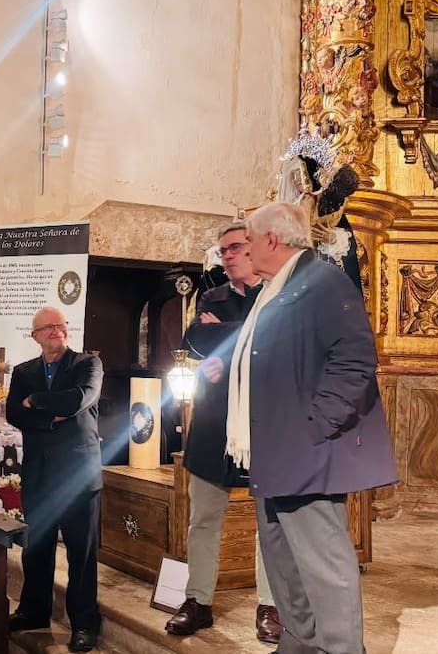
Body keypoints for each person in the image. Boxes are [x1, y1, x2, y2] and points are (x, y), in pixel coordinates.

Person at [230, 203, 398, 654]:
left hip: (305, 448)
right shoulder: (274, 289)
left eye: (247, 239)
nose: (243, 248)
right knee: (283, 559)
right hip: (274, 449)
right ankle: (299, 644)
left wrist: (317, 425)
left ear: (272, 240)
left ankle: (342, 648)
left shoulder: (322, 282)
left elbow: (356, 357)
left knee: (325, 563)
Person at [165, 224, 281, 644]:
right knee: (203, 518)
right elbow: (193, 342)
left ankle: (270, 606)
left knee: (269, 521)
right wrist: (224, 347)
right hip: (214, 424)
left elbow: (272, 347)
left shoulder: (277, 295)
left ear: (255, 248)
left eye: (234, 248)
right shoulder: (211, 297)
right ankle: (198, 601)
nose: (226, 256)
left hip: (262, 425)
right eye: (223, 250)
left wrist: (224, 345)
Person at [4, 307, 103, 653]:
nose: (56, 331)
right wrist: (49, 415)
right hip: (39, 475)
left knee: (82, 553)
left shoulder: (88, 364)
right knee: (37, 549)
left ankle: (84, 623)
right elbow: (14, 412)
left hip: (78, 476)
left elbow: (78, 399)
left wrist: (37, 402)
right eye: (47, 328)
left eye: (60, 325)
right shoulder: (23, 371)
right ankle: (34, 611)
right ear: (35, 336)